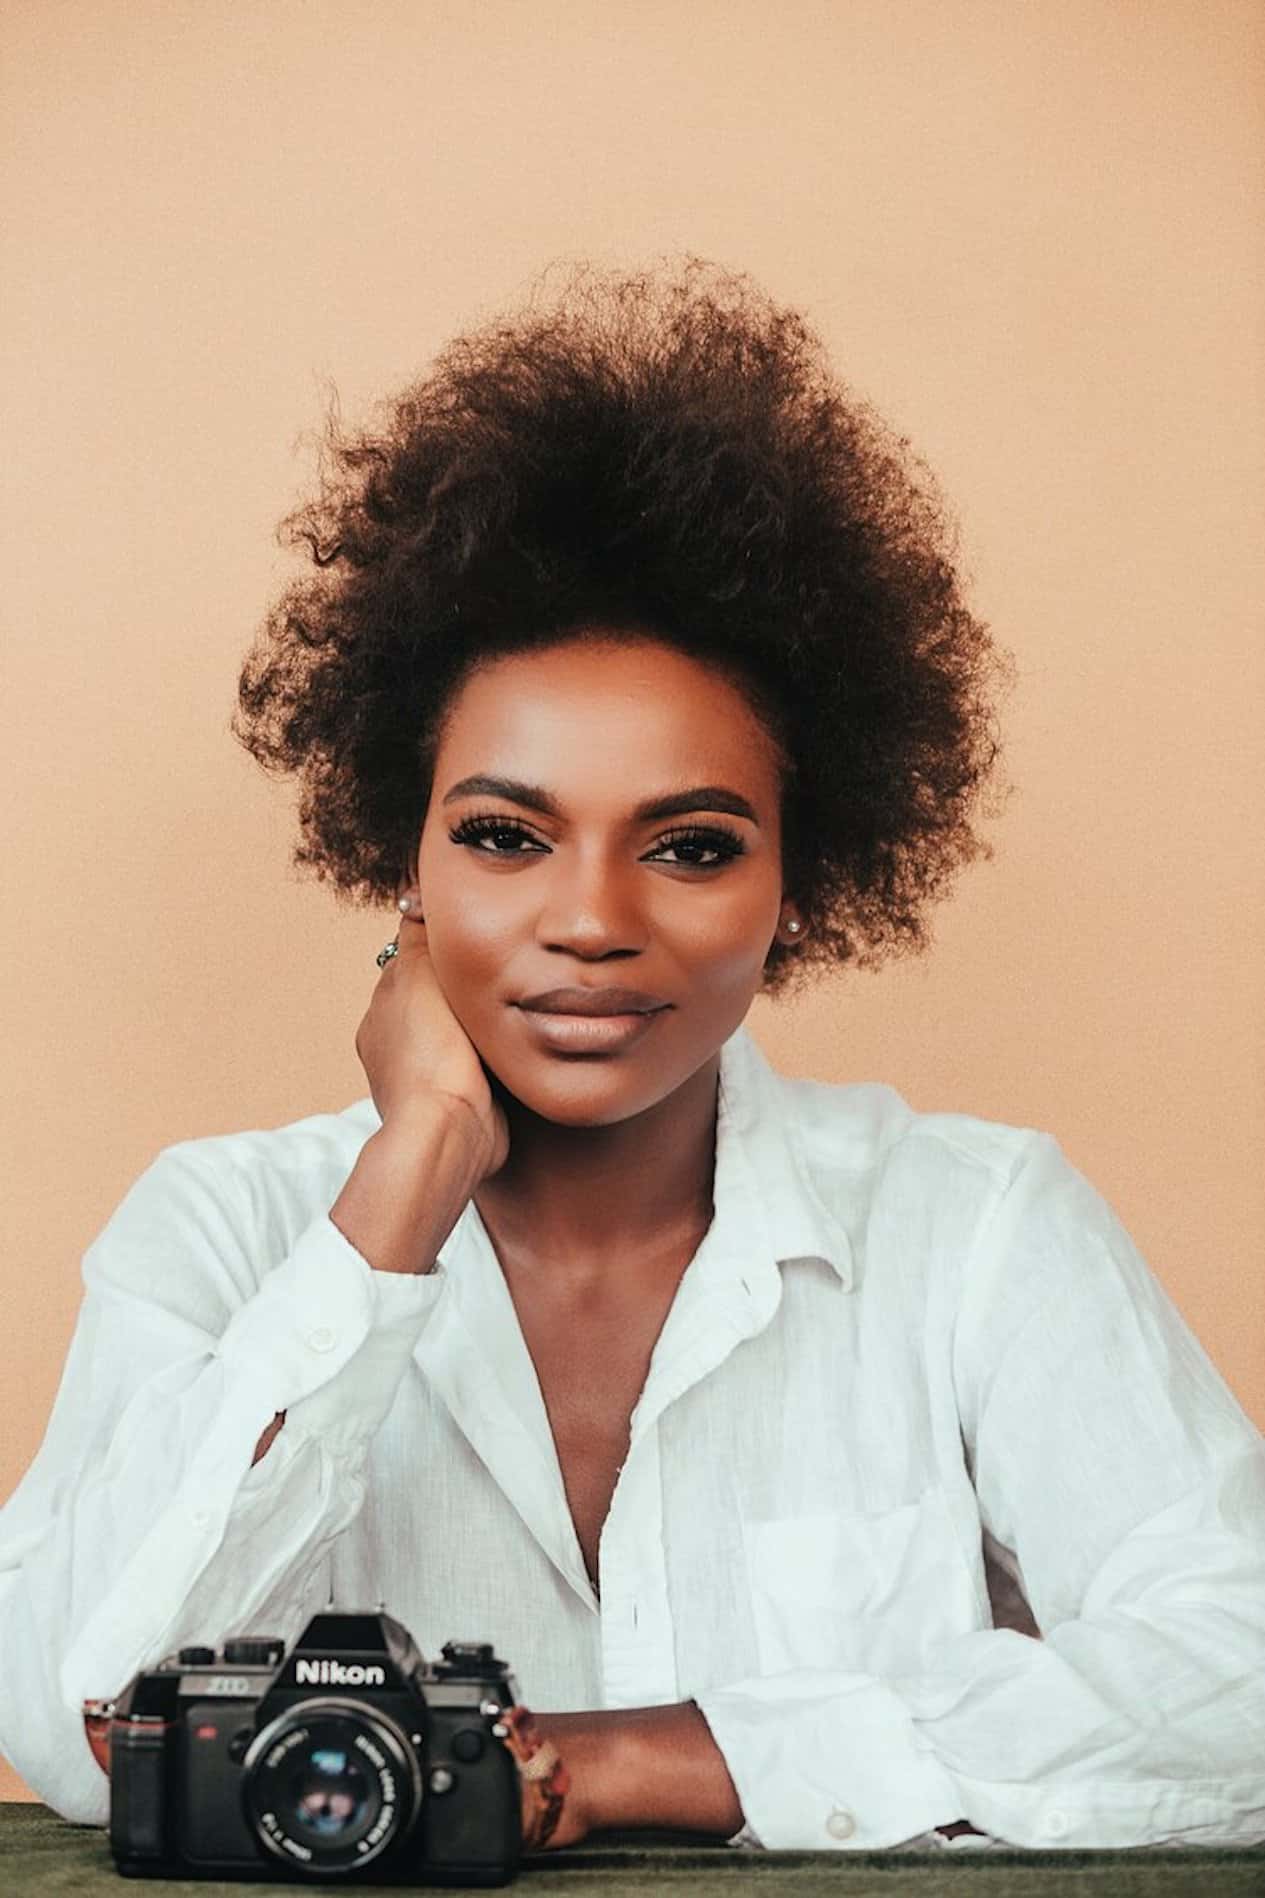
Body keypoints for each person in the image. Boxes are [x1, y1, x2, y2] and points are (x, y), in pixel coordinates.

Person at [1, 259, 1262, 1855]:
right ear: (408, 851)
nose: (589, 920)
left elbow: (1241, 1667)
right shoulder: (225, 1232)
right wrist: (405, 1182)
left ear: (798, 877)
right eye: (507, 833)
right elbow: (74, 1720)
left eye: (687, 843)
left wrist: (621, 1762)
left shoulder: (973, 1225)